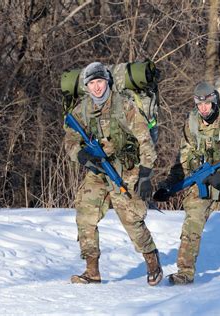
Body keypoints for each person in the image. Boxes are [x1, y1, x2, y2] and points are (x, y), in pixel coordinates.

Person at [63, 62, 162, 285]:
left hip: (126, 168)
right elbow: (70, 140)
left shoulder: (123, 106)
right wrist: (83, 156)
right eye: (92, 84)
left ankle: (152, 260)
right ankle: (92, 271)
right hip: (98, 170)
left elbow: (144, 139)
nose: (96, 88)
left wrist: (146, 173)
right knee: (85, 214)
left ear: (107, 82)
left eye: (100, 82)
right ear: (86, 87)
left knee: (130, 217)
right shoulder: (83, 110)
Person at [153, 81, 220, 285]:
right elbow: (183, 161)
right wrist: (168, 186)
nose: (203, 109)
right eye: (199, 104)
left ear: (215, 102)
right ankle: (185, 272)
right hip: (204, 181)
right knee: (192, 222)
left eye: (207, 104)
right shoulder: (192, 124)